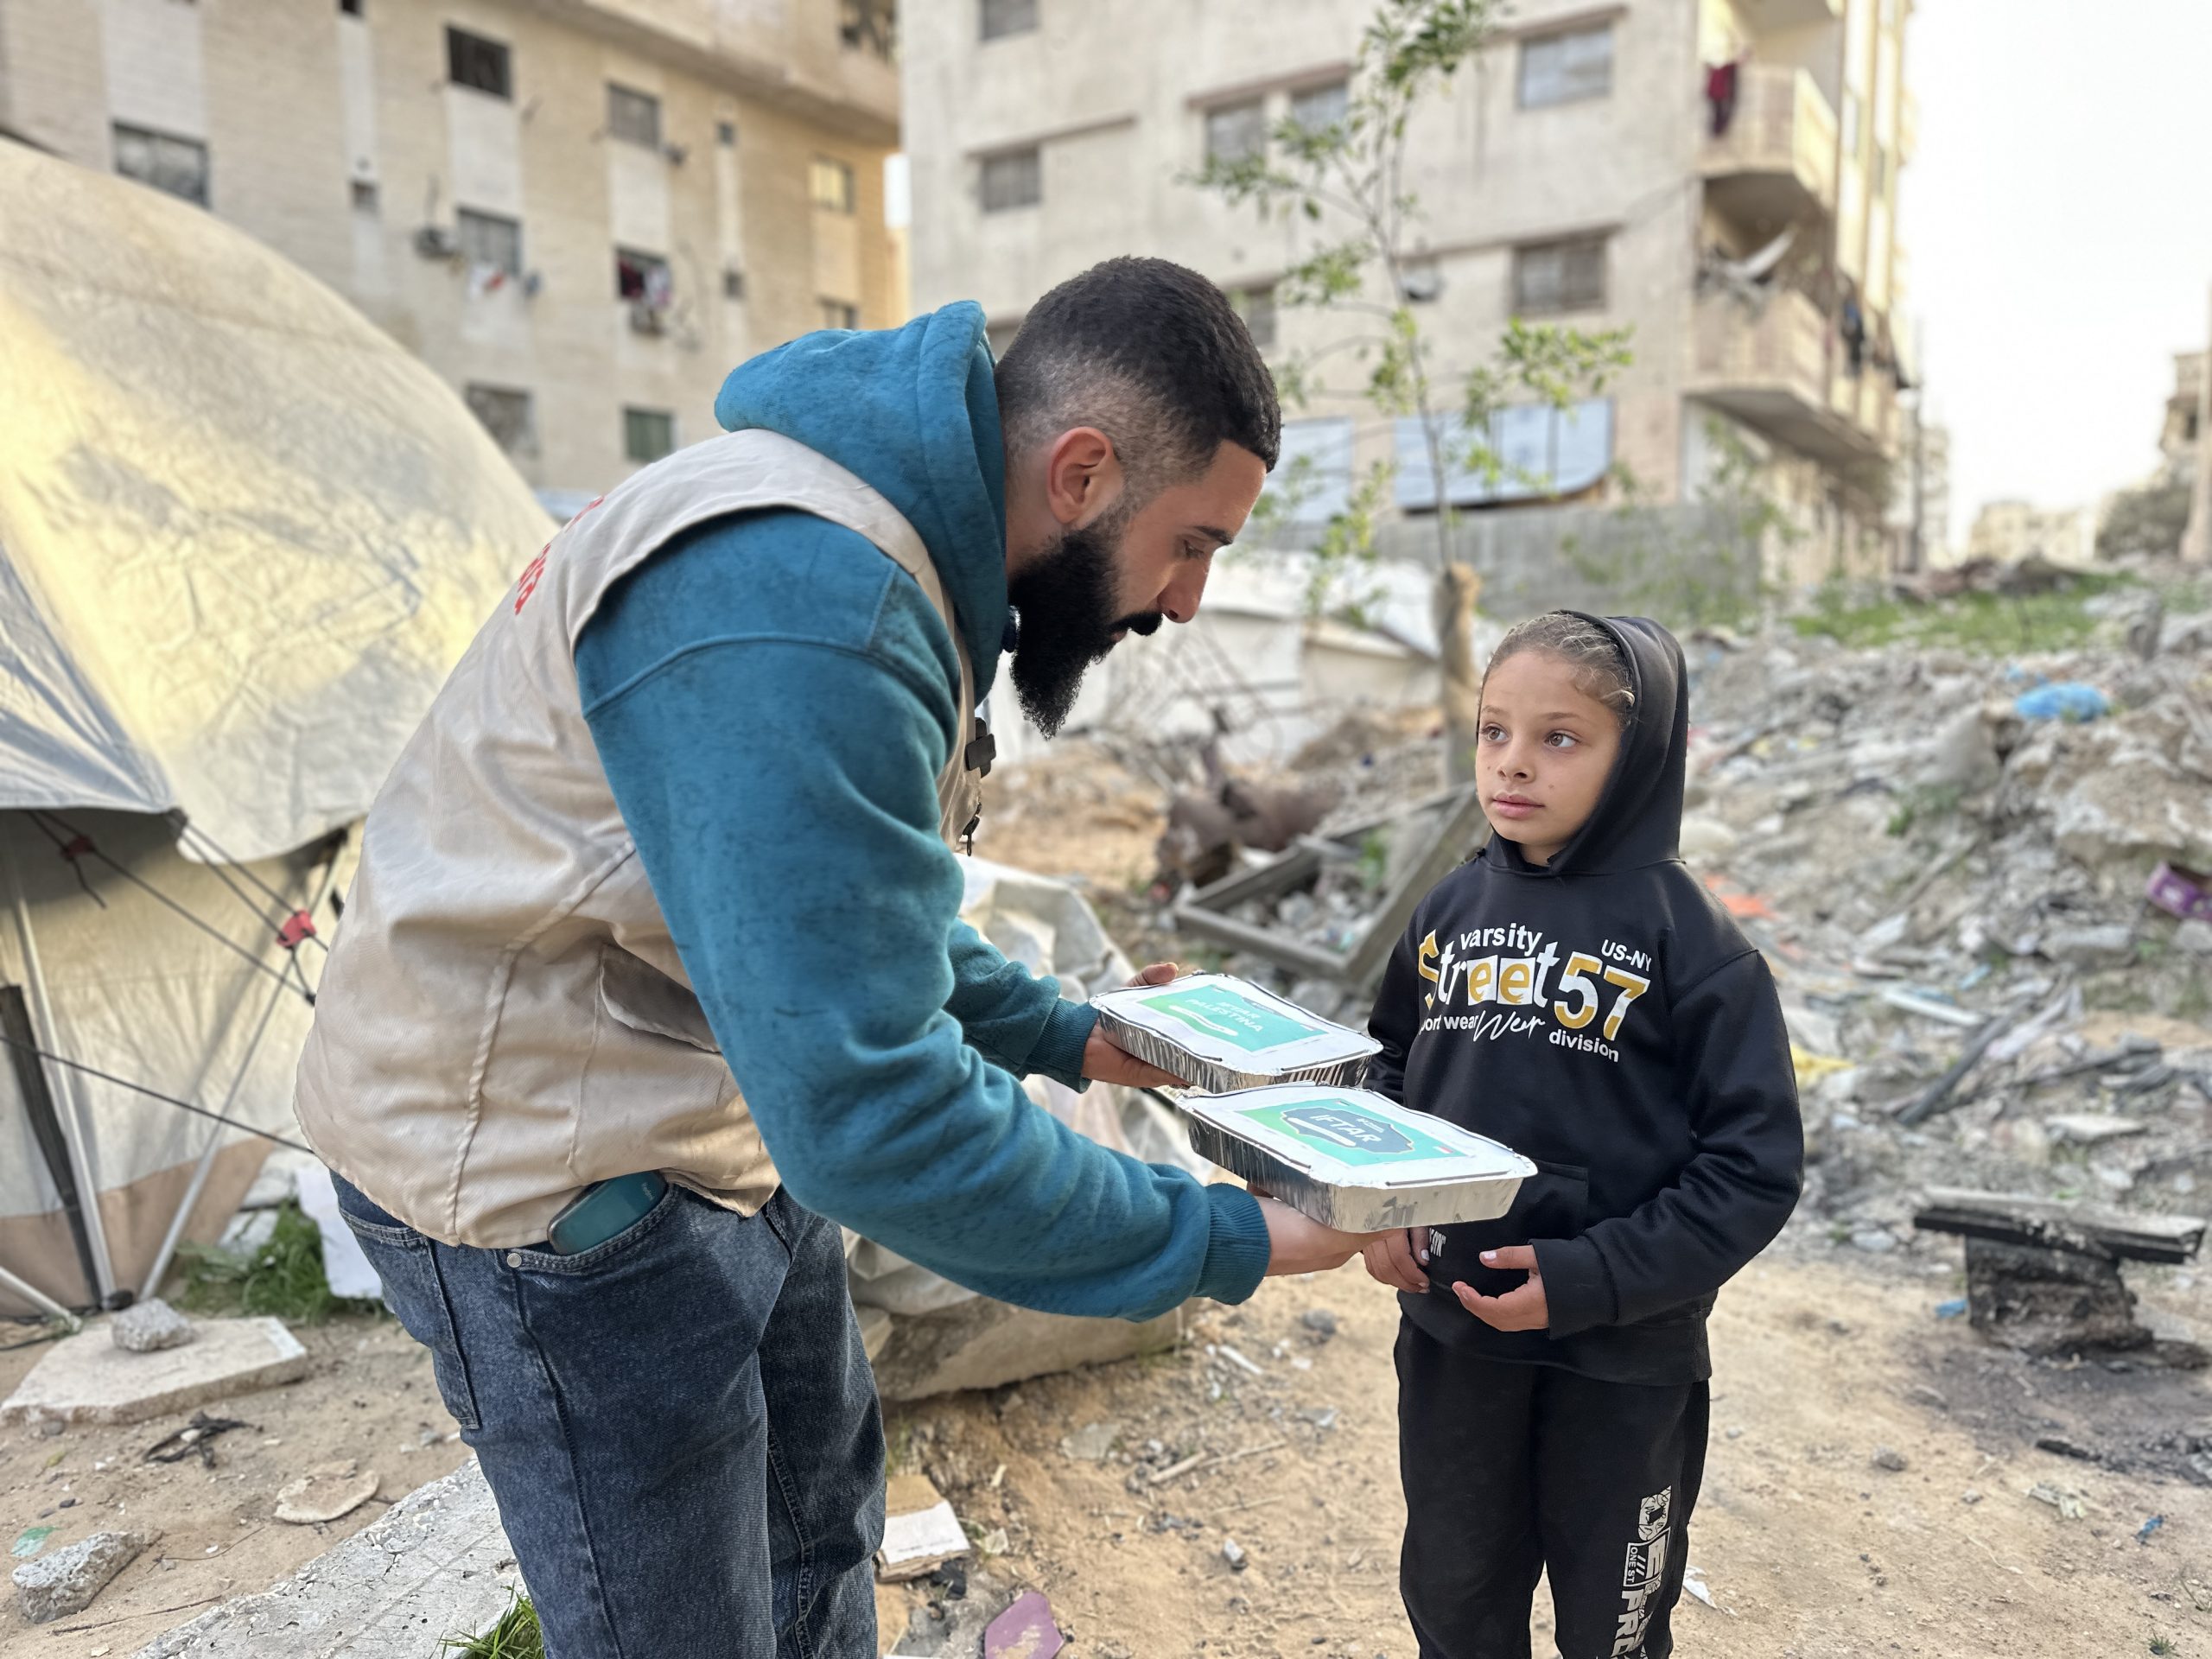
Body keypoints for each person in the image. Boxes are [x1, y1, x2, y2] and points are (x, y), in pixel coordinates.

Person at [293, 257, 1371, 1658]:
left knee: (818, 1539)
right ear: (1084, 474)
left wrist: (1067, 1032)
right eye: (1192, 544)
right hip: (545, 1180)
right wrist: (1226, 1235)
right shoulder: (808, 598)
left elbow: (845, 908)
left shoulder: (892, 553)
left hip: (719, 1105)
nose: (1187, 603)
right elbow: (874, 1114)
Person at [1359, 611, 1802, 1659]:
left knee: (1613, 1621)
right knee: (1455, 1598)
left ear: (1638, 754)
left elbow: (1752, 1169)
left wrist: (1591, 1277)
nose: (1513, 763)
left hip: (1621, 1357)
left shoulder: (1695, 947)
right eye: (1494, 730)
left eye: (1559, 737)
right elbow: (1387, 1070)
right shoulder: (1447, 910)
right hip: (1453, 1334)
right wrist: (1379, 1207)